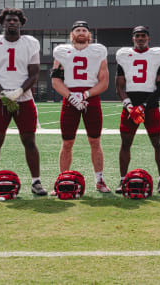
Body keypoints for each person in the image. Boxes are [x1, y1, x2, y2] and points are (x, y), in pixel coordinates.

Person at [0, 8, 48, 198]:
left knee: (29, 141)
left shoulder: (30, 43)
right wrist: (3, 93)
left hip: (24, 99)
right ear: (2, 23)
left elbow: (34, 74)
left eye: (15, 20)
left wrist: (18, 92)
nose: (12, 23)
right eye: (8, 20)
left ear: (21, 23)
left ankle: (36, 181)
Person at [51, 20, 111, 193]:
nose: (81, 32)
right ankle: (62, 179)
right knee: (67, 142)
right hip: (69, 98)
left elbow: (104, 81)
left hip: (91, 97)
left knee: (95, 140)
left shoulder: (98, 51)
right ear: (72, 35)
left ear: (89, 35)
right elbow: (55, 80)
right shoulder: (62, 52)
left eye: (84, 30)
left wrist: (85, 95)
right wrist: (71, 96)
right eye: (78, 30)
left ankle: (99, 180)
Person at [115, 26, 160, 193]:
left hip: (150, 106)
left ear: (148, 38)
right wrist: (129, 105)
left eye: (143, 36)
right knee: (125, 143)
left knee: (158, 143)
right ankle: (123, 179)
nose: (140, 38)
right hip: (130, 106)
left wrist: (144, 105)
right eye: (137, 36)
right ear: (133, 39)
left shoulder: (158, 56)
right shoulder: (124, 56)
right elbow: (119, 86)